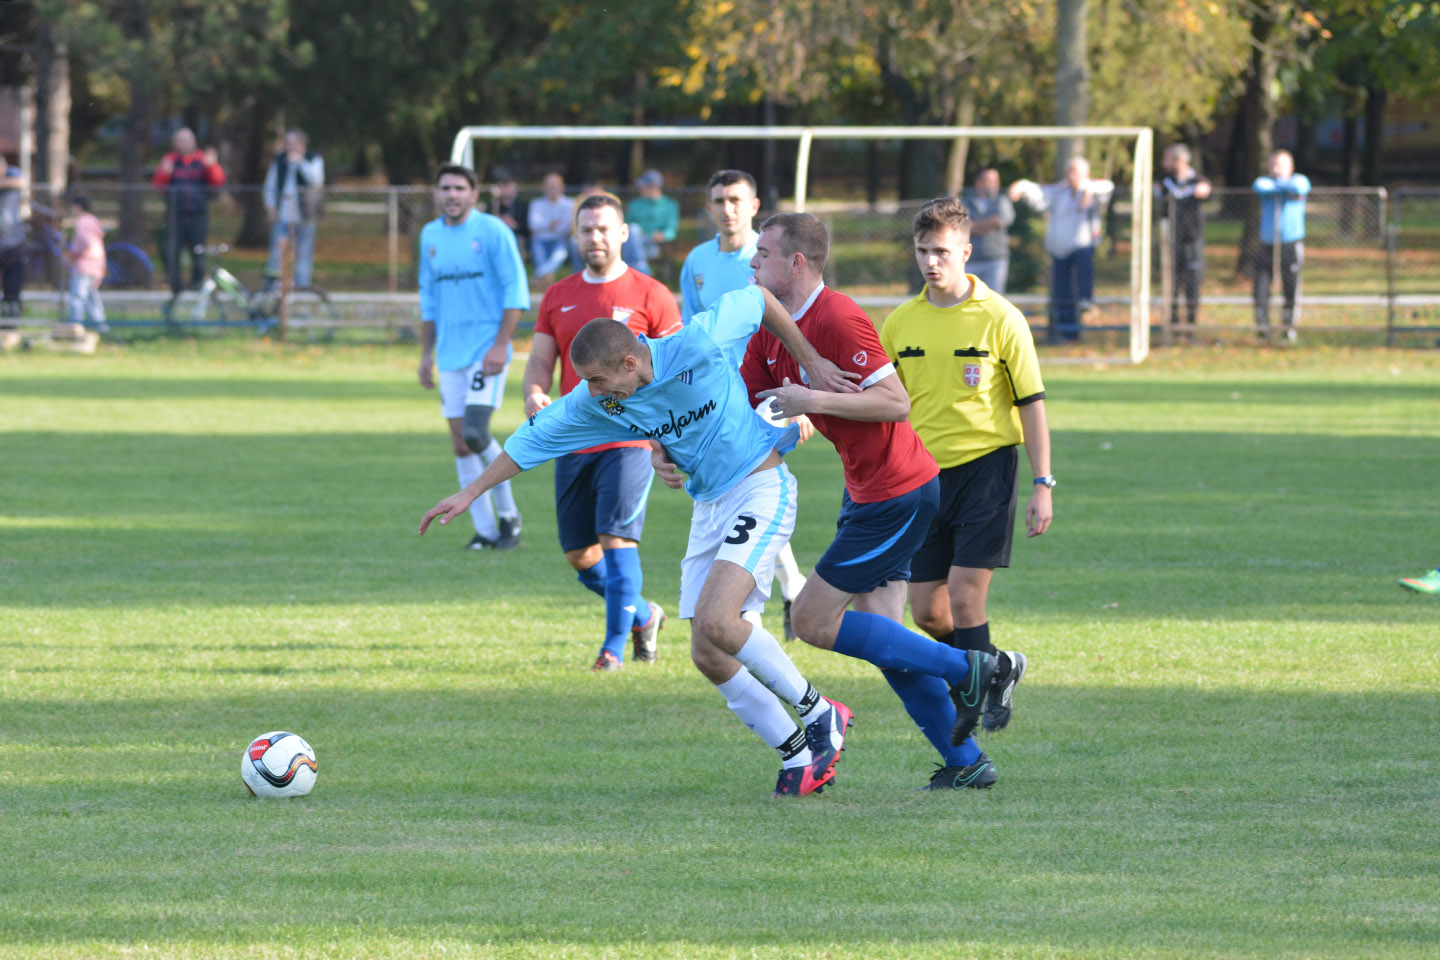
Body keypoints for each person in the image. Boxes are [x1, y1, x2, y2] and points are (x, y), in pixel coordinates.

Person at [420, 284, 883, 798]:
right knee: (709, 653)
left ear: (627, 361)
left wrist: (812, 361)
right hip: (708, 508)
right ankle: (796, 753)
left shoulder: (698, 342)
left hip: (761, 487)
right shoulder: (600, 401)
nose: (593, 392)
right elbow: (532, 439)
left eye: (598, 380)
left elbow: (757, 298)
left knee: (717, 619)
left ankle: (820, 712)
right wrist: (471, 492)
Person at [730, 211, 1001, 790]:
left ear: (795, 263)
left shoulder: (839, 315)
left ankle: (973, 667)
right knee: (888, 645)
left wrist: (810, 399)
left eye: (762, 254)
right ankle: (967, 761)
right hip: (869, 494)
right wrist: (680, 449)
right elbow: (748, 412)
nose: (752, 263)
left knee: (810, 620)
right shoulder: (766, 330)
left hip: (898, 493)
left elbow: (895, 403)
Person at [879, 196, 1054, 737]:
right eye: (924, 251)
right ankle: (998, 668)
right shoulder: (900, 323)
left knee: (964, 595)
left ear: (967, 252)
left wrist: (1043, 483)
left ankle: (969, 702)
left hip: (987, 471)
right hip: (922, 477)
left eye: (944, 252)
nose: (933, 262)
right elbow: (885, 403)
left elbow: (1032, 404)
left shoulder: (1001, 318)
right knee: (927, 613)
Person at [523, 192, 681, 670]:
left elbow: (672, 368)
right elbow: (539, 361)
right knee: (578, 553)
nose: (596, 237)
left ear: (624, 233)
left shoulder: (651, 294)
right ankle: (643, 613)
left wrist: (663, 434)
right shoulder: (558, 295)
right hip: (574, 438)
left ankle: (613, 647)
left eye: (604, 229)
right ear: (575, 236)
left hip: (631, 438)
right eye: (587, 229)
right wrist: (534, 392)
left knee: (616, 540)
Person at [679, 168, 808, 639]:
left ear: (754, 206)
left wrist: (807, 398)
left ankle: (747, 609)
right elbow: (691, 333)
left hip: (770, 390)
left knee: (756, 484)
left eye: (736, 199)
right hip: (717, 401)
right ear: (709, 207)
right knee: (746, 490)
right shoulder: (696, 260)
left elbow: (795, 324)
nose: (727, 207)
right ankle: (792, 588)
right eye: (719, 199)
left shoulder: (771, 256)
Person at [417, 163, 528, 551]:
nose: (451, 195)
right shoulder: (429, 235)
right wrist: (426, 354)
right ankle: (484, 531)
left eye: (459, 188)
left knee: (476, 433)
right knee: (461, 444)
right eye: (445, 188)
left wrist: (501, 344)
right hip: (449, 353)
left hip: (486, 349)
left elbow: (516, 290)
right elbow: (428, 298)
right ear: (436, 194)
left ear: (473, 195)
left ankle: (509, 517)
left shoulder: (493, 231)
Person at [1009, 156, 1114, 343]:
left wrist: (1087, 189)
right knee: (1062, 292)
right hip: (1059, 250)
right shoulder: (1059, 191)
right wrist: (1021, 185)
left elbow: (1107, 186)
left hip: (1082, 246)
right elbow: (1039, 194)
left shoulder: (1093, 189)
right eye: (1070, 172)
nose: (1073, 176)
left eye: (1077, 173)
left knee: (1083, 273)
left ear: (1085, 174)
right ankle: (1068, 334)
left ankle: (1086, 301)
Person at [153, 127, 226, 296]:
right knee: (172, 252)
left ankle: (197, 283)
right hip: (175, 216)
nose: (184, 143)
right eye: (181, 140)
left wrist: (212, 166)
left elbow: (218, 182)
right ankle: (176, 287)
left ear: (193, 141)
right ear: (175, 144)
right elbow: (159, 186)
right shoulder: (170, 160)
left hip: (198, 215)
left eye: (187, 140)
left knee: (198, 252)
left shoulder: (202, 160)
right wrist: (165, 173)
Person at [1252, 149, 1310, 341]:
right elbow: (1260, 186)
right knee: (1260, 288)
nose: (1276, 169)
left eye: (1281, 165)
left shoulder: (1300, 180)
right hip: (1267, 244)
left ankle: (1288, 330)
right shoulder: (1265, 182)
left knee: (1290, 289)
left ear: (1291, 167)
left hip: (1290, 244)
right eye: (1273, 165)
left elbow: (1298, 188)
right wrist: (1282, 188)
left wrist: (1281, 186)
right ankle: (1264, 331)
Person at [1157, 144, 1211, 337]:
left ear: (1179, 161)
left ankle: (1190, 329)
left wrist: (1204, 189)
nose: (1164, 162)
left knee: (1192, 285)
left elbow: (1207, 192)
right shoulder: (1165, 183)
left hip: (1192, 242)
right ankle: (1172, 327)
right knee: (1171, 285)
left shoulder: (1199, 181)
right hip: (1170, 243)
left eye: (1168, 158)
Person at [263, 129, 324, 290]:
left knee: (303, 255)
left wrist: (300, 163)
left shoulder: (313, 159)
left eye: (291, 144)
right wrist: (270, 207)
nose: (288, 147)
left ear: (301, 144)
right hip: (282, 216)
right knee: (277, 254)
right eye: (287, 144)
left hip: (305, 216)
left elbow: (316, 181)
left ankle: (302, 288)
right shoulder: (279, 161)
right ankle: (274, 290)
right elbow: (270, 186)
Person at [961, 168, 1015, 295]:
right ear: (978, 182)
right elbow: (964, 227)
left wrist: (975, 225)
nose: (994, 184)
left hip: (995, 259)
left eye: (996, 181)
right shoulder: (966, 202)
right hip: (971, 260)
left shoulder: (1002, 201)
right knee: (967, 298)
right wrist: (990, 223)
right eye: (989, 181)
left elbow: (1002, 220)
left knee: (994, 299)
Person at [65, 195, 107, 332]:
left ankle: (75, 326)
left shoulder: (82, 222)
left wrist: (73, 252)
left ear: (78, 206)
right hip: (96, 264)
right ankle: (101, 326)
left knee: (77, 297)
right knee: (92, 297)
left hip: (84, 265)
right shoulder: (93, 221)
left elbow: (86, 242)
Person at [527, 172, 573, 283]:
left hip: (561, 240)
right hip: (540, 240)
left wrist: (545, 226)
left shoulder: (569, 204)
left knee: (560, 255)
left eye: (554, 186)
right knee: (537, 247)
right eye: (549, 186)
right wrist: (551, 225)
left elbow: (567, 227)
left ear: (562, 187)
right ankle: (547, 277)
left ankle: (539, 276)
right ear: (544, 188)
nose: (552, 189)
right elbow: (533, 226)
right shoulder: (536, 204)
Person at [626, 169, 679, 264]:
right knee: (633, 230)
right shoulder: (634, 204)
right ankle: (642, 268)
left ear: (654, 187)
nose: (640, 188)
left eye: (643, 186)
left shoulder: (670, 205)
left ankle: (634, 269)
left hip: (653, 245)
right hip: (633, 242)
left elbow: (672, 230)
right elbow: (626, 225)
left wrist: (664, 235)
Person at [0, 158, 26, 319]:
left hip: (13, 243)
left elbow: (19, 182)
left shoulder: (12, 175)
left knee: (13, 285)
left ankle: (11, 319)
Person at [489, 168, 529, 254]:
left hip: (516, 235)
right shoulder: (494, 205)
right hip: (498, 236)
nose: (507, 192)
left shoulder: (521, 206)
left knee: (519, 240)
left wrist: (515, 225)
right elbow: (489, 223)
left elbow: (526, 229)